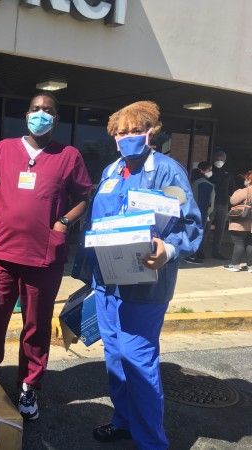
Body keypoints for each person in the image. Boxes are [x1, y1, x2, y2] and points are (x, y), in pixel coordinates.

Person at [83, 101, 202, 449]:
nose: (128, 138)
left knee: (138, 361)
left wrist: (170, 249)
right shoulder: (109, 172)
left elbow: (191, 224)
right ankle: (124, 422)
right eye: (122, 132)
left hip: (146, 288)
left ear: (152, 132)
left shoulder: (167, 172)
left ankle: (151, 441)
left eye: (136, 131)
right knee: (116, 360)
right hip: (107, 285)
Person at [0, 92, 92, 421]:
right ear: (26, 115)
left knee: (36, 326)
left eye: (48, 111)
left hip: (43, 257)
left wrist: (64, 222)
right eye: (36, 109)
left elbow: (83, 197)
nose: (41, 114)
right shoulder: (4, 149)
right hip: (0, 253)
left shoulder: (68, 156)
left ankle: (29, 386)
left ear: (57, 119)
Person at [184, 161, 215, 263]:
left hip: (188, 211)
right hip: (201, 213)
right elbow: (208, 204)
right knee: (197, 235)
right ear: (203, 170)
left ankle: (187, 254)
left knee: (189, 232)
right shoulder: (206, 184)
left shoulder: (190, 180)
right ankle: (191, 256)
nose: (211, 171)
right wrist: (207, 214)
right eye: (210, 169)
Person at [209, 150, 236, 260]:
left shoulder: (228, 174)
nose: (219, 161)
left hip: (224, 204)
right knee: (206, 227)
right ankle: (199, 251)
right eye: (217, 159)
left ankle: (217, 251)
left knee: (220, 229)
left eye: (222, 160)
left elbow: (232, 189)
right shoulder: (210, 172)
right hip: (211, 204)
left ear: (225, 161)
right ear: (213, 159)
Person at [223, 170, 252, 272]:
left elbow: (233, 200)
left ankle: (235, 265)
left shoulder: (245, 191)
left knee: (239, 242)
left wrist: (237, 191)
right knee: (250, 243)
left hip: (241, 221)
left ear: (248, 180)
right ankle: (250, 266)